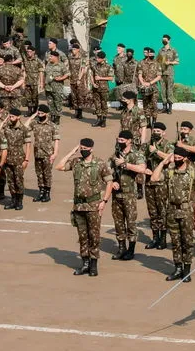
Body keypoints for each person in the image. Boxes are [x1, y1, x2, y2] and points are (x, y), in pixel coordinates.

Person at [56, 139, 113, 277]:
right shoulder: (77, 162)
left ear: (91, 149)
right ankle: (85, 263)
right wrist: (72, 152)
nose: (83, 150)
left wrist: (104, 201)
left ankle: (93, 264)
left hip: (93, 205)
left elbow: (109, 182)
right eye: (81, 147)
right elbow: (59, 166)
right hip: (79, 206)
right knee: (82, 236)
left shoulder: (99, 164)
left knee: (94, 236)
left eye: (85, 148)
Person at [150, 147, 195, 281]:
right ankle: (178, 268)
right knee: (175, 241)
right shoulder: (170, 172)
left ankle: (186, 270)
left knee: (187, 241)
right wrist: (163, 163)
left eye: (180, 157)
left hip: (187, 211)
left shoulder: (193, 172)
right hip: (172, 210)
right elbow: (154, 178)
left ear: (185, 158)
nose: (177, 159)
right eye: (176, 157)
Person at [109, 130, 146, 261]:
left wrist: (126, 164)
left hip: (129, 194)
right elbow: (107, 170)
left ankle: (131, 249)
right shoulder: (116, 154)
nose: (119, 142)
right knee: (118, 223)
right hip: (117, 195)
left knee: (131, 223)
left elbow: (142, 168)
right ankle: (121, 248)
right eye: (118, 140)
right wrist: (112, 182)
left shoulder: (136, 154)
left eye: (122, 140)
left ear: (129, 141)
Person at [144, 122, 173, 250]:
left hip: (162, 182)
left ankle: (162, 238)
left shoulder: (168, 145)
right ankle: (155, 237)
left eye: (158, 131)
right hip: (149, 182)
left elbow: (171, 159)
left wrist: (156, 151)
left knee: (162, 211)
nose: (156, 133)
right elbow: (141, 158)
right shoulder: (148, 145)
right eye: (154, 130)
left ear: (163, 133)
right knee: (152, 211)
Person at [1, 108, 32, 211]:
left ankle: (19, 201)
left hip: (19, 159)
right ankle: (13, 200)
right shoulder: (7, 127)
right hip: (8, 159)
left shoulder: (24, 129)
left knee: (18, 181)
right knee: (10, 181)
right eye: (9, 116)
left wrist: (26, 159)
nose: (10, 118)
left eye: (12, 116)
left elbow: (28, 145)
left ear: (18, 117)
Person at [29, 105, 60, 203]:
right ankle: (41, 191)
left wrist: (55, 153)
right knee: (39, 173)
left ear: (47, 114)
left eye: (42, 113)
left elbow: (56, 140)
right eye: (39, 113)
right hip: (37, 153)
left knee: (47, 174)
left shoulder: (52, 126)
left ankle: (47, 193)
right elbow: (25, 127)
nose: (40, 115)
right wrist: (32, 116)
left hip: (48, 153)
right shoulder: (35, 123)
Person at [42, 50, 69, 124]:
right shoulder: (48, 64)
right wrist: (43, 83)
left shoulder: (61, 65)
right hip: (48, 87)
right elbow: (45, 74)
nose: (50, 57)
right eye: (50, 56)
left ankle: (57, 117)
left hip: (57, 87)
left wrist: (61, 78)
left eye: (51, 56)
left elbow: (67, 74)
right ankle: (52, 116)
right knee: (50, 102)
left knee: (57, 102)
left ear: (56, 57)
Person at [137, 47, 162, 125]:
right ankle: (148, 121)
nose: (151, 55)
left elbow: (159, 76)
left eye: (152, 54)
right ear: (147, 54)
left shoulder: (157, 63)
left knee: (154, 104)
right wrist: (143, 83)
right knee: (146, 104)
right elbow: (139, 75)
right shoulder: (141, 62)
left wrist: (150, 83)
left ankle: (154, 121)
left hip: (153, 87)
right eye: (150, 53)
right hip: (144, 87)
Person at [156, 34, 179, 114]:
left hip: (169, 73)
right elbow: (157, 61)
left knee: (169, 91)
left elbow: (177, 61)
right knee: (163, 91)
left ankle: (170, 108)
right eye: (163, 39)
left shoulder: (173, 50)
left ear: (169, 40)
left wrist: (170, 62)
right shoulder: (160, 50)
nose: (163, 41)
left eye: (165, 39)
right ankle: (164, 107)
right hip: (162, 74)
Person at [90, 50, 113, 127]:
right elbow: (91, 75)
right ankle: (98, 119)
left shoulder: (108, 66)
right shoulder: (95, 65)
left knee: (104, 104)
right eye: (97, 57)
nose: (97, 59)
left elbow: (111, 78)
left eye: (99, 58)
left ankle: (104, 120)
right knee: (97, 104)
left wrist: (100, 78)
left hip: (104, 88)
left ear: (103, 58)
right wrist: (93, 83)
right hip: (95, 88)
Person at [67, 43, 88, 120]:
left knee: (80, 96)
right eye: (72, 49)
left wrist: (79, 79)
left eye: (75, 49)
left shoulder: (82, 58)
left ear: (78, 50)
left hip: (79, 80)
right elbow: (69, 68)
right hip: (72, 79)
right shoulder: (70, 57)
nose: (73, 51)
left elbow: (82, 70)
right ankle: (76, 111)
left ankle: (80, 112)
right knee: (74, 96)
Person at [22, 45, 43, 115]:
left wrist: (41, 82)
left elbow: (41, 72)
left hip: (35, 82)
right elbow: (24, 70)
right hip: (27, 81)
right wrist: (23, 81)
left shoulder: (38, 60)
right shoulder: (25, 60)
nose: (28, 53)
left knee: (35, 97)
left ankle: (35, 111)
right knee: (28, 97)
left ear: (34, 52)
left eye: (30, 51)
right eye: (27, 52)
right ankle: (29, 111)